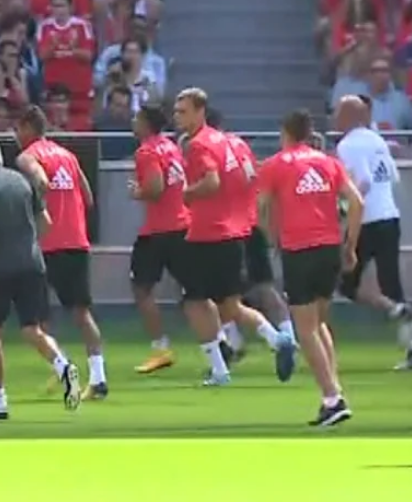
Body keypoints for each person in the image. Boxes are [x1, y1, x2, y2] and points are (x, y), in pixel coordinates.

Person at [172, 88, 297, 386]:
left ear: (201, 112)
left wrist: (189, 193)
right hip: (237, 229)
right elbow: (250, 179)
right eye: (176, 112)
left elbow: (212, 182)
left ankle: (220, 369)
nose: (177, 117)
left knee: (194, 303)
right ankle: (278, 339)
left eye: (183, 111)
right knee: (230, 305)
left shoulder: (198, 144)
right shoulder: (233, 144)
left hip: (207, 233)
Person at [0, 131, 82, 419]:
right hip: (31, 263)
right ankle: (64, 367)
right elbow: (46, 223)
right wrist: (26, 242)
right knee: (32, 329)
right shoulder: (23, 181)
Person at [257, 109, 364, 426]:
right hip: (329, 247)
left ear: (285, 133)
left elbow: (261, 206)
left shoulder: (275, 165)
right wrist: (350, 244)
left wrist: (270, 236)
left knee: (305, 328)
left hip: (299, 249)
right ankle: (333, 393)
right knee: (318, 323)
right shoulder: (328, 162)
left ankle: (332, 397)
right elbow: (356, 202)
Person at [15, 106, 106, 399]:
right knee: (82, 313)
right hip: (76, 241)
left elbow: (40, 182)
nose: (16, 135)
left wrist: (35, 209)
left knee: (36, 320)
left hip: (46, 244)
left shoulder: (28, 157)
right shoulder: (67, 155)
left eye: (18, 129)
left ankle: (62, 367)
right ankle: (98, 377)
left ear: (28, 127)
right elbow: (88, 196)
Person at [333, 95, 412, 370]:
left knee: (346, 283)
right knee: (391, 282)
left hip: (367, 220)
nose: (335, 117)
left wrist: (342, 209)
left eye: (339, 112)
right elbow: (392, 177)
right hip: (390, 216)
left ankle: (394, 311)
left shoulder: (348, 145)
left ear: (350, 115)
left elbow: (361, 181)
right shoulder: (377, 139)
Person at [216, 112, 296, 361]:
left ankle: (236, 344)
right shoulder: (241, 147)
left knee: (218, 292)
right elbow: (255, 184)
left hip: (227, 228)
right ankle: (288, 336)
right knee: (264, 287)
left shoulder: (210, 149)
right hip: (251, 225)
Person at [125, 105, 191, 375]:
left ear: (146, 124)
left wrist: (137, 192)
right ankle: (224, 340)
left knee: (141, 288)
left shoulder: (146, 151)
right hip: (183, 223)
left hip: (158, 231)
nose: (133, 122)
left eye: (137, 118)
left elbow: (155, 188)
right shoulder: (172, 147)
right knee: (195, 292)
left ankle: (160, 347)